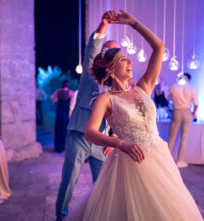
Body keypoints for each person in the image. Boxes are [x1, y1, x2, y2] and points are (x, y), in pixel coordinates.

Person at [66, 10, 203, 221]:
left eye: (129, 59)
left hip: (158, 156)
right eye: (123, 60)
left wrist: (133, 23)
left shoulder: (143, 87)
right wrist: (121, 143)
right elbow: (90, 132)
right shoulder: (106, 99)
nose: (130, 63)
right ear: (111, 69)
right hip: (130, 161)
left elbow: (159, 47)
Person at [55, 10, 120, 221]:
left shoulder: (119, 86)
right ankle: (61, 217)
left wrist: (115, 138)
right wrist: (103, 27)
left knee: (102, 186)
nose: (113, 54)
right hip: (79, 136)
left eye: (117, 52)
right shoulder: (89, 75)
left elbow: (122, 117)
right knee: (68, 182)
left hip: (103, 142)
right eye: (109, 50)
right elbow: (91, 49)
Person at [167, 73, 198, 168]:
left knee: (171, 137)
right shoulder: (191, 88)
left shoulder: (173, 87)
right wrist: (193, 113)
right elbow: (196, 104)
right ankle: (179, 161)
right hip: (187, 112)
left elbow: (168, 99)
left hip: (176, 112)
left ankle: (166, 160)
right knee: (184, 137)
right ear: (188, 79)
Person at [51, 80, 74, 152]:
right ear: (68, 85)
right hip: (66, 113)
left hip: (59, 112)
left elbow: (52, 100)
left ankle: (58, 147)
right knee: (65, 129)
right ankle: (64, 146)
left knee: (58, 128)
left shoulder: (58, 92)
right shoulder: (71, 93)